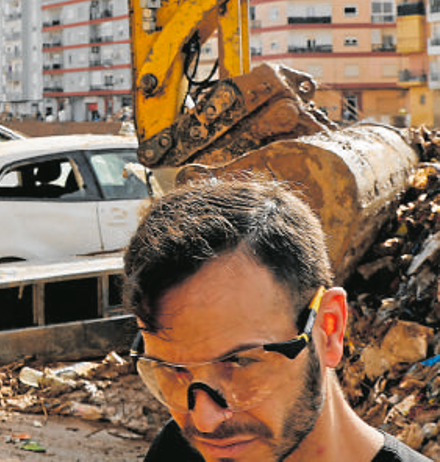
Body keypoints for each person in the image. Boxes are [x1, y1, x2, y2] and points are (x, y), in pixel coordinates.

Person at [123, 176, 428, 462]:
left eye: (239, 362)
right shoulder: (176, 452)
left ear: (328, 328)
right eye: (171, 369)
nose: (204, 421)